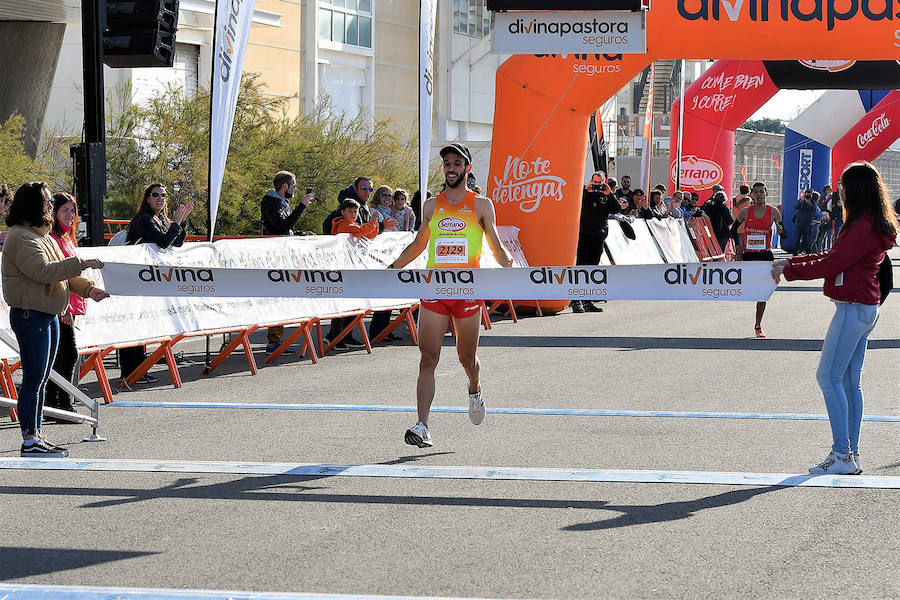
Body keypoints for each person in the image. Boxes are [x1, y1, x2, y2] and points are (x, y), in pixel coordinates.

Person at [771, 162, 898, 475]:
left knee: (828, 378)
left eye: (843, 187)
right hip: (865, 308)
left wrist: (789, 270)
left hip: (854, 307)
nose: (839, 193)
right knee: (849, 382)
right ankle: (849, 452)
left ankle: (842, 453)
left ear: (853, 190)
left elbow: (833, 262)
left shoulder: (861, 225)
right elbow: (833, 257)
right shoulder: (870, 222)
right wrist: (794, 261)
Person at [386, 142, 513, 448]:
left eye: (457, 163)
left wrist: (511, 266)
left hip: (468, 291)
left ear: (467, 168)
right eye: (447, 164)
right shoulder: (431, 205)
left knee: (466, 357)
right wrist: (392, 268)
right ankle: (422, 425)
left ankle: (475, 388)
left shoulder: (482, 205)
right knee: (428, 357)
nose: (451, 168)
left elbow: (494, 245)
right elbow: (419, 245)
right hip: (435, 290)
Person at [1, 182, 109, 457]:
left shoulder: (45, 237)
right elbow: (43, 272)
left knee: (41, 378)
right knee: (34, 379)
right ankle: (29, 439)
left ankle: (37, 435)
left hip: (48, 315)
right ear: (33, 205)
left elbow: (64, 275)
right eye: (47, 201)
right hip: (30, 315)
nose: (50, 206)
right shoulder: (19, 237)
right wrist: (82, 262)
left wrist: (88, 289)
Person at [123, 183, 194, 383]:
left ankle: (139, 370)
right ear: (147, 198)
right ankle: (130, 371)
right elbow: (163, 242)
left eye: (163, 195)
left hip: (149, 279)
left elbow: (176, 242)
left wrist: (181, 222)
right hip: (134, 277)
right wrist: (176, 223)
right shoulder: (143, 219)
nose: (160, 199)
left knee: (142, 324)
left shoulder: (160, 218)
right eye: (155, 195)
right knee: (134, 324)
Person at [261, 170, 314, 353]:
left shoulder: (283, 203)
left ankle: (277, 339)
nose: (294, 190)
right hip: (274, 257)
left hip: (284, 255)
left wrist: (301, 233)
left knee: (283, 297)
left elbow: (287, 229)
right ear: (285, 187)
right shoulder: (270, 202)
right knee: (277, 297)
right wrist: (302, 206)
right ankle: (273, 341)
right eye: (293, 186)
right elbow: (281, 226)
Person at [44, 193, 86, 417]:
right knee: (68, 354)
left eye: (72, 210)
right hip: (60, 305)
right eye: (65, 211)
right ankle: (62, 402)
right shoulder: (53, 237)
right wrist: (65, 308)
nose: (70, 215)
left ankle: (54, 402)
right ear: (54, 212)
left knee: (60, 355)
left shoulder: (67, 236)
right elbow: (57, 274)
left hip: (68, 303)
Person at [729, 181, 788, 338]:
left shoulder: (774, 212)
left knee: (763, 292)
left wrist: (781, 231)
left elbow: (785, 234)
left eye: (762, 191)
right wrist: (738, 246)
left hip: (765, 254)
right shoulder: (746, 212)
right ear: (752, 195)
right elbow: (733, 229)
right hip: (749, 255)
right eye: (756, 192)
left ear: (766, 194)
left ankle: (758, 324)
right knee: (745, 287)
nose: (759, 194)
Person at [572, 171, 620, 313]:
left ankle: (588, 300)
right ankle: (575, 300)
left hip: (598, 237)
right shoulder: (584, 193)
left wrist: (609, 193)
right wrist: (587, 190)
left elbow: (616, 209)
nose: (597, 186)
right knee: (579, 267)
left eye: (600, 183)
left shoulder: (605, 194)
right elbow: (574, 203)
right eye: (595, 183)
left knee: (592, 268)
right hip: (582, 236)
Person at [793, 189, 822, 255]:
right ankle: (795, 254)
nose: (808, 196)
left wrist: (808, 202)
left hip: (807, 224)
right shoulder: (801, 201)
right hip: (799, 223)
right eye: (807, 194)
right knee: (797, 240)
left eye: (809, 195)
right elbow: (796, 207)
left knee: (807, 241)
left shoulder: (812, 202)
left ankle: (807, 254)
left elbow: (813, 210)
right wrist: (802, 200)